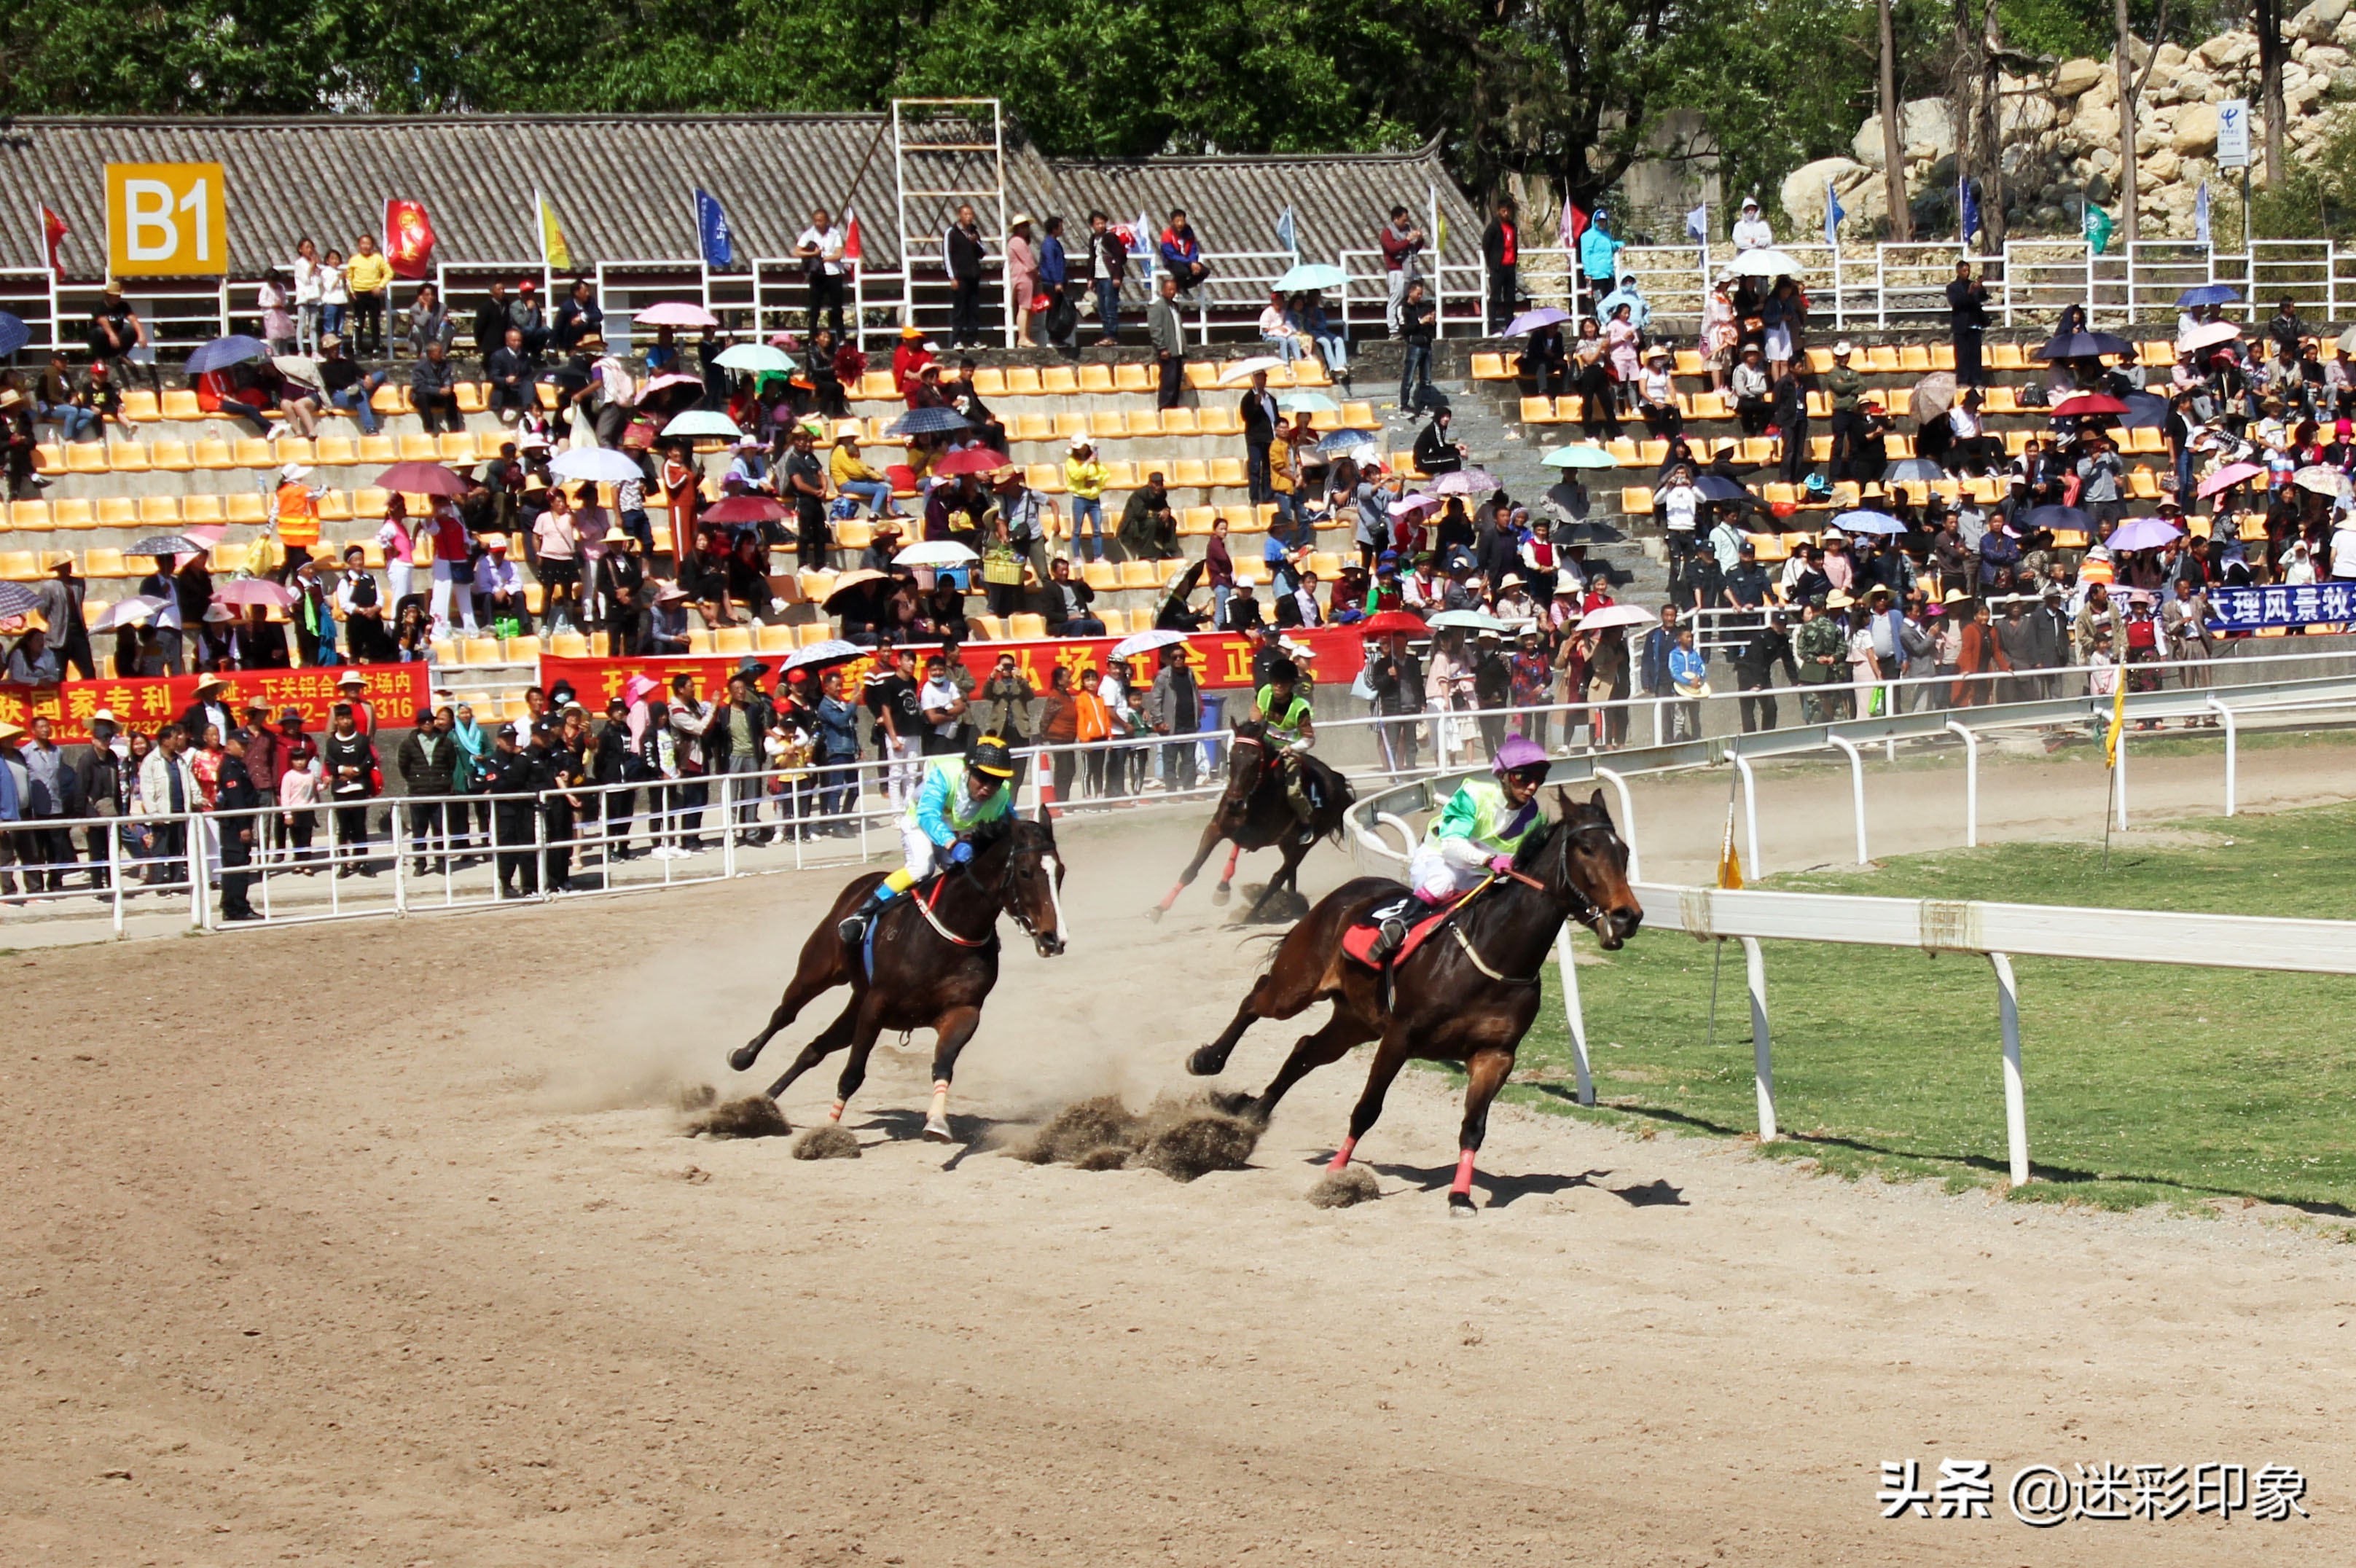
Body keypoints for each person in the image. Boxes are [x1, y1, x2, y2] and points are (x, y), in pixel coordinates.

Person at [1366, 734, 1554, 963]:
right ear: (1502, 775)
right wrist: (1489, 860)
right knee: (1444, 882)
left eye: (1539, 779)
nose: (1532, 786)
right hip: (1438, 859)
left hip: (1480, 877)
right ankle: (1397, 928)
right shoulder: (1473, 795)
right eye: (1522, 777)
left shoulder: (1534, 817)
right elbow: (1451, 846)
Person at [837, 733, 1018, 942]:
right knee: (922, 867)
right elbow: (927, 815)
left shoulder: (1002, 796)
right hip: (920, 824)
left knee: (971, 877)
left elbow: (1015, 826)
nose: (988, 787)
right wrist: (951, 843)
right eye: (982, 778)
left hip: (956, 836)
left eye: (997, 781)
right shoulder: (944, 775)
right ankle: (863, 914)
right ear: (967, 769)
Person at [1250, 657, 1320, 823]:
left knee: (1293, 792)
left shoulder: (1300, 707)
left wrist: (1292, 749)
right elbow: (1254, 719)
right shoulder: (1264, 693)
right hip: (1265, 745)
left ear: (1291, 685)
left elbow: (1309, 740)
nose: (1278, 686)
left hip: (1289, 750)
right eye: (1275, 682)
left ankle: (1306, 821)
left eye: (1283, 683)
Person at [1146, 643, 1202, 791]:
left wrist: (1198, 715)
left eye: (1182, 657)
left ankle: (1190, 789)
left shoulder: (1190, 673)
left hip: (1189, 723)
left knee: (1190, 759)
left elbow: (1195, 694)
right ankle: (1171, 791)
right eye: (1175, 657)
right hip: (1171, 725)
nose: (1179, 660)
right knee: (1170, 759)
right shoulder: (1163, 676)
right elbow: (1155, 700)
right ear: (1169, 660)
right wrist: (1159, 721)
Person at [945, 203, 987, 348]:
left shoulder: (974, 232)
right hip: (960, 277)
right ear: (960, 215)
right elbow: (947, 255)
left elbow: (982, 253)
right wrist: (952, 277)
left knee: (974, 309)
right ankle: (956, 339)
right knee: (960, 310)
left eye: (971, 214)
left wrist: (976, 243)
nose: (969, 217)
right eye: (966, 214)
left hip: (973, 275)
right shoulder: (952, 232)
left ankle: (973, 339)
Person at [1948, 262, 1990, 388]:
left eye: (1968, 270)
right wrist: (1969, 294)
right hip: (1961, 325)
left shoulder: (1973, 285)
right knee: (1962, 354)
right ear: (1959, 272)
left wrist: (1981, 288)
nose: (1967, 273)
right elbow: (1956, 303)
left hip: (1975, 323)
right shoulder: (1953, 287)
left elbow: (1983, 298)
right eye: (1964, 271)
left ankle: (1976, 380)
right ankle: (1963, 380)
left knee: (1975, 355)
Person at [1148, 275, 1186, 411]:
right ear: (1163, 290)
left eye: (1174, 290)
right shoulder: (1157, 307)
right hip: (1167, 352)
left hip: (1177, 350)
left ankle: (1173, 407)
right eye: (1169, 289)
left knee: (1176, 382)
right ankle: (1165, 407)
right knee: (1168, 382)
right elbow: (1155, 329)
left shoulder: (1174, 306)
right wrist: (1162, 347)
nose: (1172, 292)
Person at [1398, 279, 1436, 413]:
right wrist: (1420, 323)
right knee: (1409, 377)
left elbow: (1431, 329)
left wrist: (1431, 322)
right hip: (1414, 345)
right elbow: (1404, 329)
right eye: (1418, 293)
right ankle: (1404, 405)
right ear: (1411, 292)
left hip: (1426, 345)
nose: (1420, 296)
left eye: (1421, 294)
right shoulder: (1403, 308)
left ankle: (1426, 404)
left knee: (1426, 379)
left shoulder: (1423, 307)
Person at [1481, 198, 1518, 334]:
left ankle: (1510, 323)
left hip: (1510, 266)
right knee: (1495, 296)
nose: (1506, 213)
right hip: (1498, 266)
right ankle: (1493, 324)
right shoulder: (1493, 227)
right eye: (1503, 210)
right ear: (1498, 211)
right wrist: (1492, 263)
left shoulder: (1513, 227)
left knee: (1510, 297)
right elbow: (1486, 245)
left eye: (1508, 210)